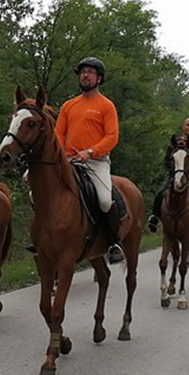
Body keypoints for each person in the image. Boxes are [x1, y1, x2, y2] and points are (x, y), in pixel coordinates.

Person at [54, 56, 124, 264]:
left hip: (96, 162)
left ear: (99, 79)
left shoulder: (106, 105)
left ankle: (114, 242)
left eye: (90, 72)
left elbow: (112, 136)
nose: (85, 75)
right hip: (69, 161)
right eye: (83, 71)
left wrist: (91, 152)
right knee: (35, 192)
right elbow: (58, 132)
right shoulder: (69, 105)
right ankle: (44, 239)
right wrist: (62, 154)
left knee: (104, 199)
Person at [147, 117, 189, 233]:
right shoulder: (174, 143)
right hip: (175, 175)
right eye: (188, 125)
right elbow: (167, 160)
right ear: (183, 127)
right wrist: (175, 172)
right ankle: (155, 217)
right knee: (161, 192)